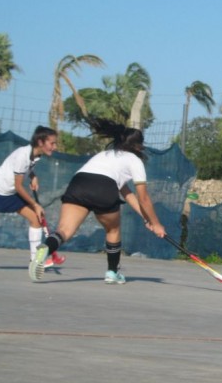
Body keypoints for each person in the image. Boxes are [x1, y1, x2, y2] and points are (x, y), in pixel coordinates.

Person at [28, 118, 167, 284]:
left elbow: (127, 193)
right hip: (103, 187)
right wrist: (156, 223)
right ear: (138, 146)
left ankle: (46, 248)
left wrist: (147, 218)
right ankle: (112, 272)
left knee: (64, 231)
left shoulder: (104, 155)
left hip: (78, 184)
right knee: (113, 230)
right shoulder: (134, 160)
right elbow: (143, 198)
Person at [0, 126, 58, 265]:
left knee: (36, 219)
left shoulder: (35, 155)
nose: (55, 147)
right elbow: (18, 186)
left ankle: (36, 260)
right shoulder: (23, 155)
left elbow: (25, 169)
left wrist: (33, 176)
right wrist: (35, 204)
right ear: (40, 142)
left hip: (10, 192)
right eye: (52, 143)